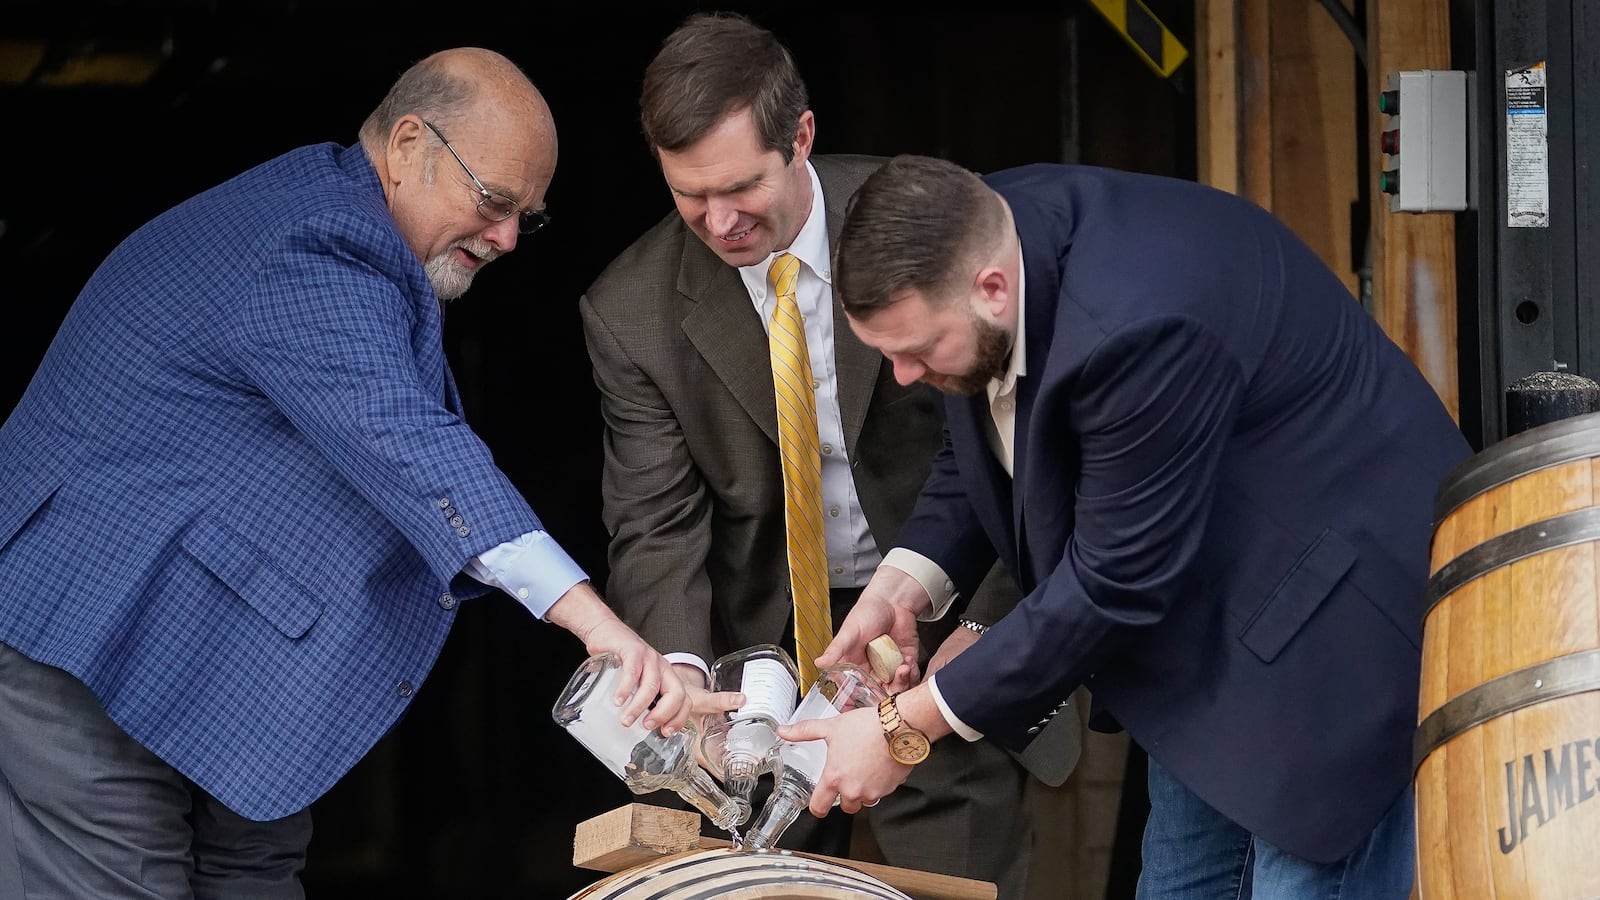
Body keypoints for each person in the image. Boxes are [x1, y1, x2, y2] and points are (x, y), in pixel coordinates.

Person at [0, 48, 727, 900]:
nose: (503, 239)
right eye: (493, 202)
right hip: (86, 630)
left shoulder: (352, 235)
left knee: (257, 876)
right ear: (410, 142)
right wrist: (601, 628)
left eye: (525, 218)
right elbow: (409, 443)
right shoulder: (315, 241)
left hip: (221, 659)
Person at [780, 154, 1474, 899]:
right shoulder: (979, 235)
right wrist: (901, 587)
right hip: (1204, 634)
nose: (907, 377)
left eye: (917, 352)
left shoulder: (1137, 325)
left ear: (992, 288)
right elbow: (979, 438)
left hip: (1331, 632)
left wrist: (900, 729)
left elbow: (1112, 580)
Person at [578, 13, 1064, 897]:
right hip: (753, 657)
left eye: (741, 188)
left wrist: (983, 639)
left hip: (932, 619)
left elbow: (1014, 433)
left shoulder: (922, 224)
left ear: (800, 138)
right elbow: (654, 524)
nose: (720, 222)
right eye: (689, 194)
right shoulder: (628, 310)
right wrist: (683, 684)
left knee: (952, 879)